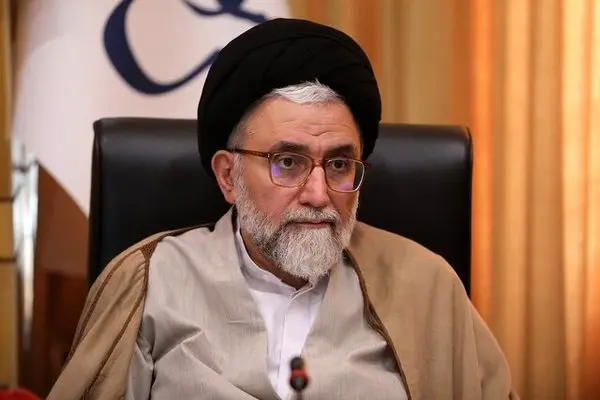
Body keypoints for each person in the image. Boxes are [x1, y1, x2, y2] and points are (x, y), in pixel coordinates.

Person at [48, 18, 518, 400]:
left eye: (339, 164)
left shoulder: (426, 285)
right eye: (288, 162)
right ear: (228, 176)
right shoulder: (149, 280)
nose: (318, 194)